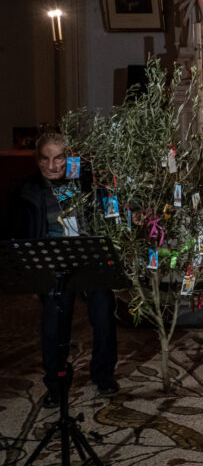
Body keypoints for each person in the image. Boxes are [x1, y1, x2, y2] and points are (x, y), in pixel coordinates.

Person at [5, 133, 118, 408]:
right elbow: (15, 236)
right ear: (37, 159)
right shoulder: (26, 191)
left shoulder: (86, 183)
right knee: (54, 326)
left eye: (58, 158)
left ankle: (103, 375)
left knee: (103, 316)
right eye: (45, 158)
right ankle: (56, 384)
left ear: (69, 160)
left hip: (89, 258)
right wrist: (30, 276)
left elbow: (111, 211)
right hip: (52, 262)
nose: (52, 165)